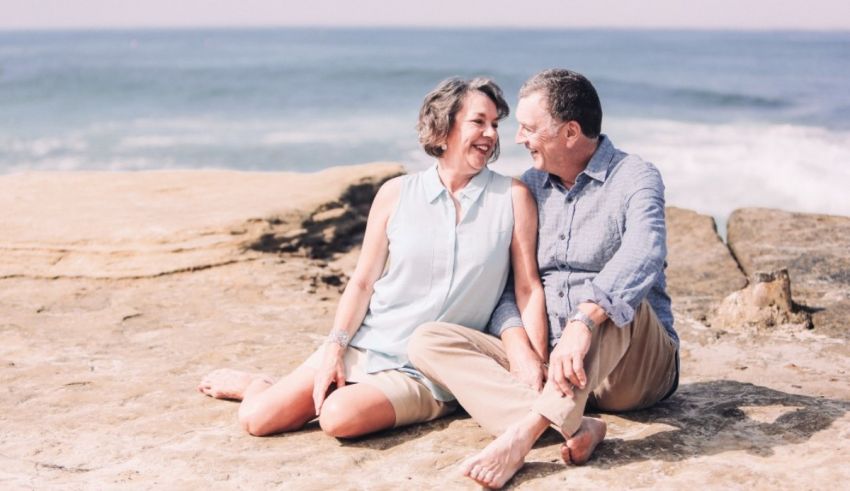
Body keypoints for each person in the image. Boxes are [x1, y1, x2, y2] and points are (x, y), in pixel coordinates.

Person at [197, 77, 547, 439]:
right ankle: (259, 383)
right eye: (478, 122)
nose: (490, 134)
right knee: (258, 419)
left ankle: (356, 394)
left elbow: (527, 288)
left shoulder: (512, 196)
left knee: (337, 416)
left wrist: (535, 365)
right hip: (368, 345)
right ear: (443, 126)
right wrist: (335, 347)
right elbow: (363, 282)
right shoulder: (395, 194)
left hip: (430, 370)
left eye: (495, 124)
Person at [409, 68, 679, 488]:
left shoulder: (636, 177)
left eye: (529, 128)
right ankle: (575, 423)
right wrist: (520, 349)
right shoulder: (529, 188)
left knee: (618, 303)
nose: (517, 138)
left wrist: (583, 321)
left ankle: (525, 432)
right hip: (552, 361)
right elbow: (508, 285)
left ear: (570, 132)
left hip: (632, 370)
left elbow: (645, 253)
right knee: (428, 339)